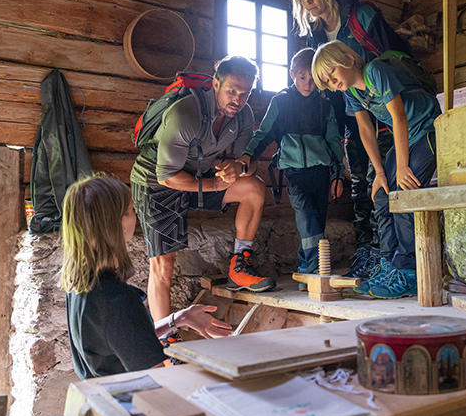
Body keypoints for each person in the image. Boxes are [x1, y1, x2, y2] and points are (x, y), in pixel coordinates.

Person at [130, 56, 276, 323]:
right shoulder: (186, 113)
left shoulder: (243, 115)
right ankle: (164, 338)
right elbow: (167, 176)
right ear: (216, 84)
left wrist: (240, 167)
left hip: (199, 175)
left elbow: (249, 161)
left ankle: (239, 267)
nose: (238, 100)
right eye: (232, 91)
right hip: (156, 180)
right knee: (163, 264)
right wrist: (215, 184)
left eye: (245, 94)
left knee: (254, 188)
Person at [291, 0, 413, 279]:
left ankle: (393, 258)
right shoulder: (316, 37)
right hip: (352, 113)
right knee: (360, 183)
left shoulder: (361, 15)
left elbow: (392, 58)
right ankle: (366, 254)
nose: (309, 0)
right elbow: (328, 86)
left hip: (386, 109)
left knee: (383, 178)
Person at [60, 175, 232, 380]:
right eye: (132, 210)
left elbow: (126, 340)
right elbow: (155, 383)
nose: (136, 216)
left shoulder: (80, 285)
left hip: (102, 395)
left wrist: (178, 319)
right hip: (127, 398)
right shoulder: (118, 300)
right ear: (121, 223)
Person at [312, 41, 441, 299]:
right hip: (406, 139)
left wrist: (401, 166)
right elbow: (365, 130)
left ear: (349, 59)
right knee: (382, 194)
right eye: (326, 81)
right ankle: (389, 264)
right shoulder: (352, 92)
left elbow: (399, 117)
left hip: (427, 129)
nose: (332, 82)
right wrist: (380, 173)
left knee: (403, 192)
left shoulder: (376, 71)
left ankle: (408, 271)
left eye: (332, 72)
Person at [239, 48, 344, 285]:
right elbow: (263, 134)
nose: (308, 84)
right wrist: (247, 155)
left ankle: (305, 266)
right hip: (295, 174)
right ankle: (316, 272)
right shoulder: (281, 102)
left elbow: (333, 142)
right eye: (302, 77)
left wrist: (337, 176)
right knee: (307, 219)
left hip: (321, 173)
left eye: (313, 78)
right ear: (292, 74)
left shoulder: (325, 105)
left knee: (317, 222)